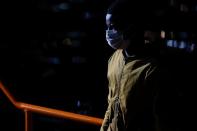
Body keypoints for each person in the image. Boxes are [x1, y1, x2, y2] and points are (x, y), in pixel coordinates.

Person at [100, 0, 171, 131]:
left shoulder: (151, 68)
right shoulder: (114, 59)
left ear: (131, 28)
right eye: (107, 26)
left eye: (113, 26)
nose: (109, 32)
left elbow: (161, 118)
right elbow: (111, 106)